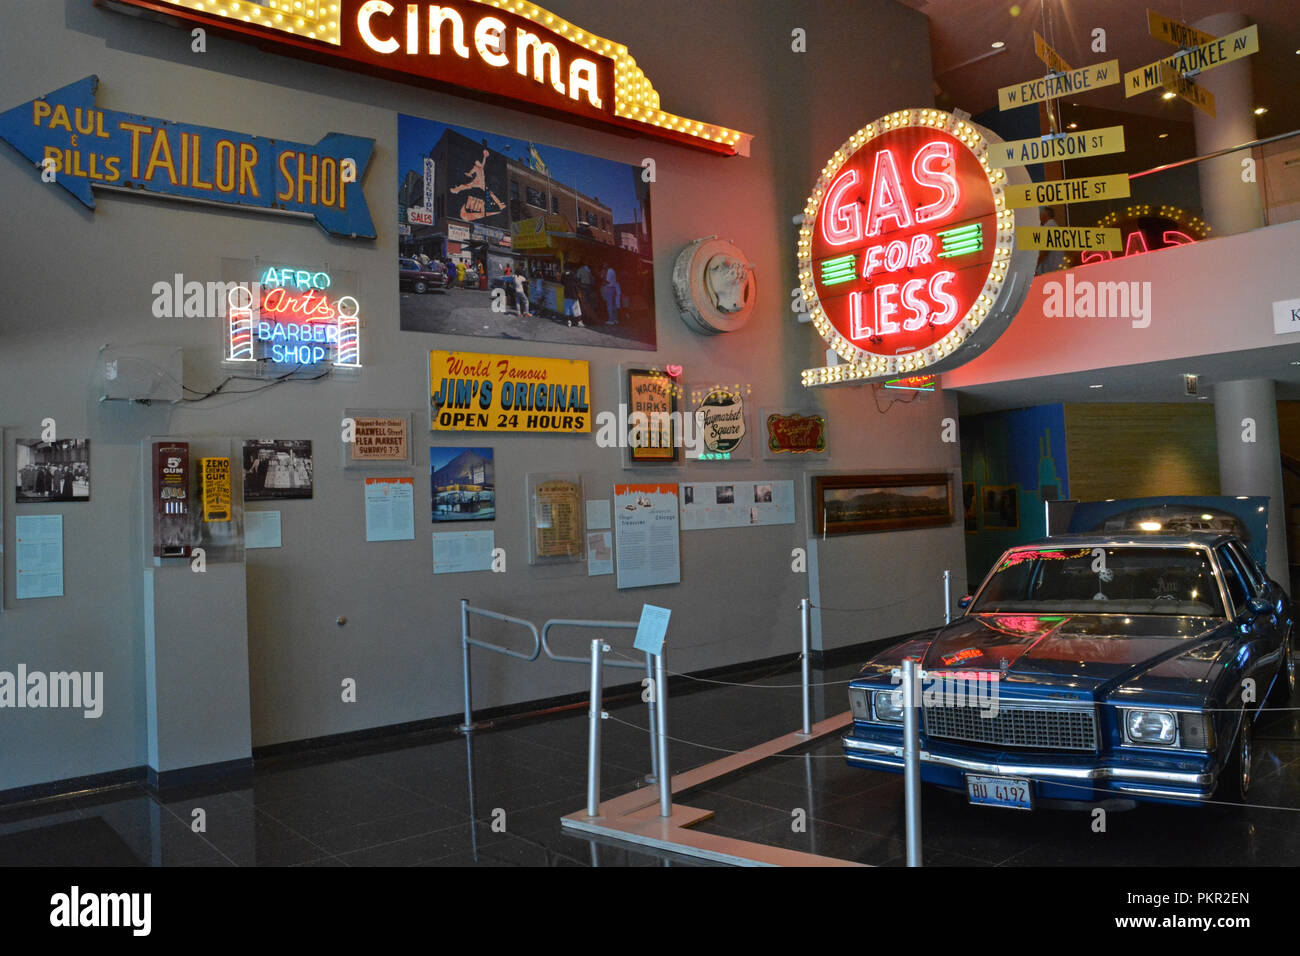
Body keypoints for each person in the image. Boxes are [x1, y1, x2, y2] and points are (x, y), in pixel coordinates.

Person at [1036, 206, 1066, 275]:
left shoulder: (1048, 227)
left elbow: (1045, 250)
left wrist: (1036, 264)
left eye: (1041, 215)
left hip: (1051, 268)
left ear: (1044, 215)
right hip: (1058, 265)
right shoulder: (1055, 226)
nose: (1039, 218)